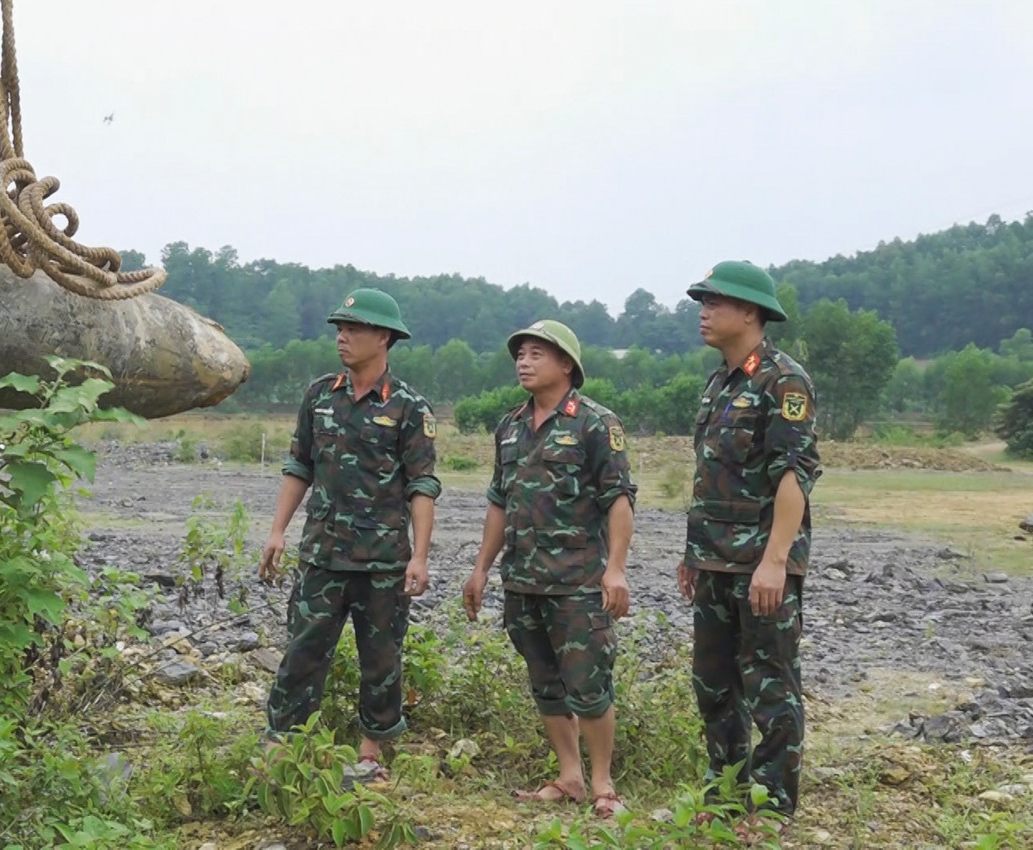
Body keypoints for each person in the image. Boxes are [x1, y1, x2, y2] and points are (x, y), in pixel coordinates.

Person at [258, 288, 440, 780]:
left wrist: (420, 557)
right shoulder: (320, 395)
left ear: (383, 337)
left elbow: (422, 486)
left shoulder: (409, 408)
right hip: (322, 555)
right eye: (340, 328)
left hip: (383, 561)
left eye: (353, 329)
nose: (342, 337)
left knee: (381, 661)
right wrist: (277, 531)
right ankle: (281, 751)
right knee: (302, 653)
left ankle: (370, 755)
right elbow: (300, 465)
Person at [461, 319, 635, 818]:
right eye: (520, 354)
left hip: (578, 582)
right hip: (523, 581)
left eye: (537, 354)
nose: (524, 362)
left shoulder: (595, 424)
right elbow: (500, 501)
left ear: (566, 364)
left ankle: (603, 785)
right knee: (545, 683)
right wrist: (481, 569)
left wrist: (616, 569)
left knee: (589, 685)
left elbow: (619, 499)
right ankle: (569, 776)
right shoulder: (510, 427)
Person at [678, 261, 821, 831]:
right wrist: (693, 554)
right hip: (715, 559)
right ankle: (726, 792)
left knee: (770, 684)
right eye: (702, 302)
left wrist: (776, 561)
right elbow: (712, 476)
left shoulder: (783, 381)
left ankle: (773, 803)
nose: (704, 312)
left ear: (749, 312)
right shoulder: (720, 383)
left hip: (762, 562)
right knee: (713, 684)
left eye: (714, 302)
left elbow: (793, 476)